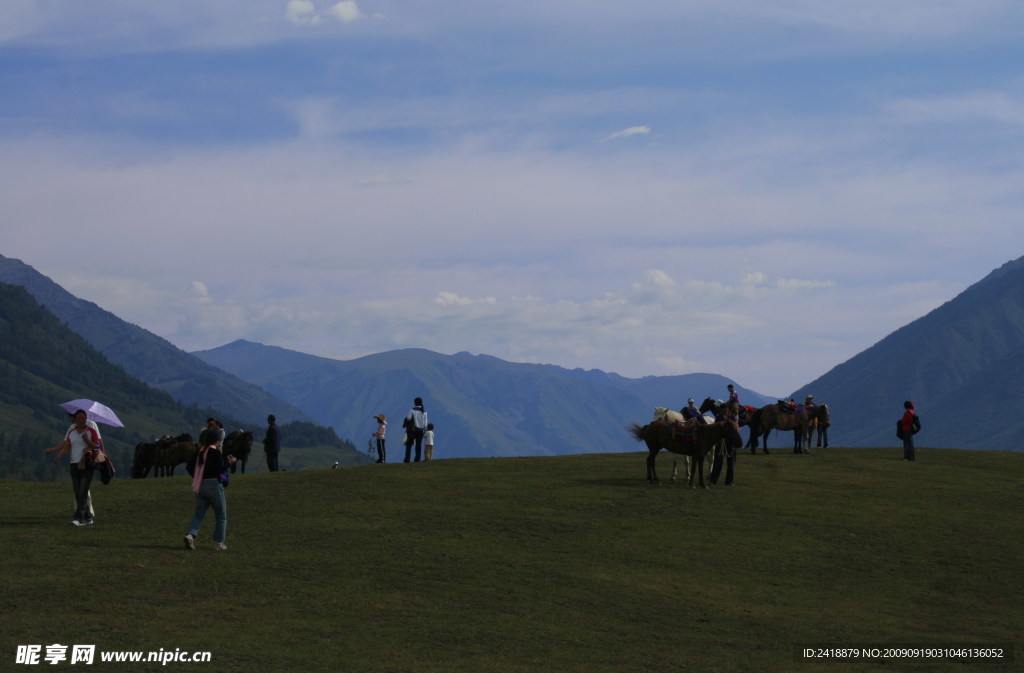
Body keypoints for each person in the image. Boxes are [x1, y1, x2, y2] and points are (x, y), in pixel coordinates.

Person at [45, 409, 102, 526]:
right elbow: (67, 445)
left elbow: (97, 445)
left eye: (84, 418)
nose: (82, 420)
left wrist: (87, 440)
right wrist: (58, 456)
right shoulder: (72, 432)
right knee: (77, 491)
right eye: (79, 418)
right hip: (74, 464)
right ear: (75, 420)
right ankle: (87, 516)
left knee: (83, 491)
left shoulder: (91, 431)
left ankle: (78, 518)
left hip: (87, 464)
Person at [184, 428, 237, 551]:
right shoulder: (216, 453)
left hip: (200, 485)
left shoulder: (200, 451)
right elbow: (221, 469)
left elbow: (189, 467)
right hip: (214, 486)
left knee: (198, 514)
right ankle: (219, 543)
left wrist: (197, 477)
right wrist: (230, 462)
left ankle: (190, 535)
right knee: (221, 515)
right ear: (217, 441)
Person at [403, 397, 428, 463]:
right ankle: (417, 459)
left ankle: (407, 459)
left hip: (413, 430)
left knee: (409, 444)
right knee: (418, 445)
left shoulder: (412, 410)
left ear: (415, 402)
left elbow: (408, 418)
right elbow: (425, 424)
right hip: (421, 430)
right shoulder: (424, 412)